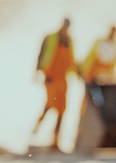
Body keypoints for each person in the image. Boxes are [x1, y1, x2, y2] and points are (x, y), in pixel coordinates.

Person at [33, 19, 78, 149]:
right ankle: (36, 129)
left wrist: (76, 72)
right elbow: (41, 54)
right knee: (50, 104)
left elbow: (71, 59)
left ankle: (55, 139)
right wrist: (37, 71)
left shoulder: (69, 41)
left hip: (63, 78)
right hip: (51, 76)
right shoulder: (51, 37)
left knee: (62, 108)